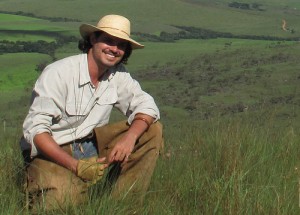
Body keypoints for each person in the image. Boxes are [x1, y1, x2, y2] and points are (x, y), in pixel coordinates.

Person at [20, 14, 163, 212]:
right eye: (109, 40)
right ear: (93, 39)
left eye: (121, 45)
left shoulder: (117, 74)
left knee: (151, 129)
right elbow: (36, 132)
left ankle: (122, 206)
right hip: (54, 151)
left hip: (92, 146)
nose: (114, 49)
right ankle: (61, 185)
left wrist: (130, 137)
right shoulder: (59, 73)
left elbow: (147, 106)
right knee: (63, 203)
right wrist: (75, 166)